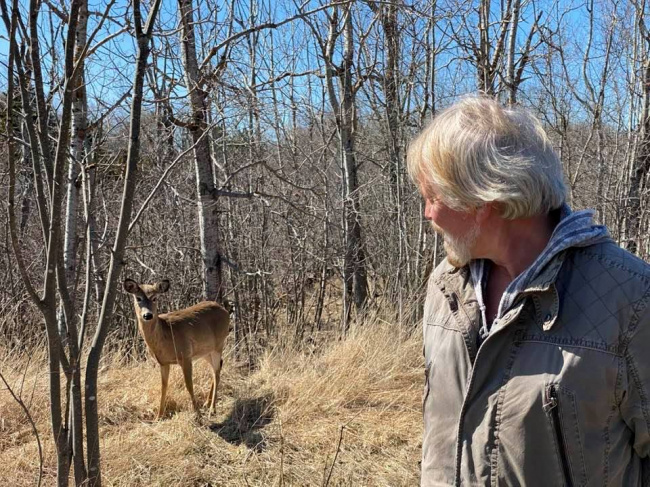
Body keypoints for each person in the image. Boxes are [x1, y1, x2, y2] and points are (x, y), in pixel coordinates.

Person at [407, 96, 650, 486]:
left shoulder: (633, 301)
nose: (428, 214)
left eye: (433, 197)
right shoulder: (445, 286)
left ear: (485, 200)